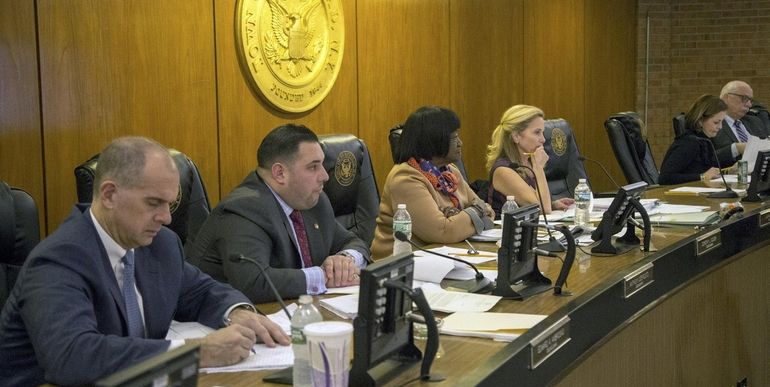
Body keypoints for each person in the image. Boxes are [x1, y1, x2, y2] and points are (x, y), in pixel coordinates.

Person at [0, 137, 289, 387]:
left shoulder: (160, 244)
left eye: (170, 203)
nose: (165, 217)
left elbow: (200, 291)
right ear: (110, 195)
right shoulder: (59, 260)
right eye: (154, 203)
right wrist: (195, 353)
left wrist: (236, 312)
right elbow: (72, 356)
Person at [185, 124, 369, 304]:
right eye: (313, 167)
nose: (325, 176)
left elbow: (353, 241)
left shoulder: (313, 201)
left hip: (298, 310)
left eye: (322, 165)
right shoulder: (244, 209)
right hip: (227, 318)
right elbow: (254, 282)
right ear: (280, 173)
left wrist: (345, 260)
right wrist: (324, 276)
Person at [370, 106, 494, 260]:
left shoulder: (450, 172)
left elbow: (488, 212)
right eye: (455, 138)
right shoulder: (405, 179)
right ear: (434, 140)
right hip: (401, 266)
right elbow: (444, 232)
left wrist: (463, 217)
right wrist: (474, 214)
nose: (461, 143)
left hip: (445, 256)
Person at [485, 105, 574, 217]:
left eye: (542, 132)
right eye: (537, 132)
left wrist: (553, 204)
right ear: (516, 136)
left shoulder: (528, 163)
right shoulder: (503, 170)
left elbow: (537, 203)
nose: (543, 139)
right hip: (505, 232)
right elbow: (543, 209)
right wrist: (539, 168)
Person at [659, 95, 726, 185]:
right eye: (716, 122)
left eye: (722, 122)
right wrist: (701, 177)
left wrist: (729, 170)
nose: (720, 127)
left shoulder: (705, 140)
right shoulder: (689, 143)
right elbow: (665, 178)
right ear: (700, 121)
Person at [712, 80, 767, 166]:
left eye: (750, 100)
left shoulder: (755, 122)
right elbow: (704, 158)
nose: (749, 105)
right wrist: (736, 148)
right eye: (745, 99)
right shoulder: (711, 124)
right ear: (726, 98)